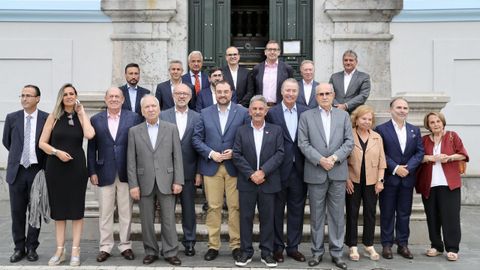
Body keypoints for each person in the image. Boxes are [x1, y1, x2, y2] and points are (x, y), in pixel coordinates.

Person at [298, 82, 354, 270]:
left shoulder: (343, 115)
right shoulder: (306, 116)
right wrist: (321, 159)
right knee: (316, 216)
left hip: (337, 172)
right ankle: (317, 252)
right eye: (320, 94)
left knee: (337, 216)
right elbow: (303, 143)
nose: (324, 96)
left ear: (333, 95)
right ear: (316, 97)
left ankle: (337, 253)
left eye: (327, 93)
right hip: (316, 172)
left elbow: (349, 142)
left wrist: (335, 158)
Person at [192, 80, 250, 261]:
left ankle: (235, 245)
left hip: (235, 167)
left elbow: (248, 135)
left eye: (226, 91)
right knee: (213, 207)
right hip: (211, 167)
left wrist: (236, 151)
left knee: (235, 207)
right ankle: (213, 245)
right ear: (215, 93)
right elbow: (196, 139)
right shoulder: (204, 113)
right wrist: (210, 154)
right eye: (219, 92)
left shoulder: (242, 112)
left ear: (231, 92)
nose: (223, 95)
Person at [39, 83, 95, 266]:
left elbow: (90, 134)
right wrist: (56, 152)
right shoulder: (53, 117)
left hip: (77, 168)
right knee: (60, 211)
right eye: (65, 94)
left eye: (72, 94)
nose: (69, 96)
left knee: (76, 210)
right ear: (61, 98)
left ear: (76, 96)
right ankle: (60, 251)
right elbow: (42, 143)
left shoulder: (80, 116)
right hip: (56, 168)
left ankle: (76, 251)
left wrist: (82, 112)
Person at [127, 95, 184, 266]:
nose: (151, 109)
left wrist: (178, 181)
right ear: (142, 111)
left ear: (159, 109)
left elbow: (177, 157)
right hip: (143, 181)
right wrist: (133, 185)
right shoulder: (134, 131)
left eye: (154, 106)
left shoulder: (171, 128)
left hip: (167, 180)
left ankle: (170, 252)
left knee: (168, 218)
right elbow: (131, 160)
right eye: (147, 107)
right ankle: (150, 251)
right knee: (146, 219)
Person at [87, 87, 142, 262]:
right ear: (105, 99)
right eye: (110, 96)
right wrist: (92, 171)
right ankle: (105, 246)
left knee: (126, 212)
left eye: (117, 96)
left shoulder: (133, 117)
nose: (114, 99)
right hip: (104, 171)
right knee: (105, 212)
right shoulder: (95, 119)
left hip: (127, 172)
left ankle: (125, 245)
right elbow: (91, 149)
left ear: (123, 99)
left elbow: (138, 147)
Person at [233, 95, 284, 268]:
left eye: (260, 109)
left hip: (268, 181)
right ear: (249, 111)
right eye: (254, 109)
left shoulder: (276, 130)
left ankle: (267, 252)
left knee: (267, 218)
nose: (257, 112)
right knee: (245, 218)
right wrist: (251, 173)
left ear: (266, 111)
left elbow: (280, 153)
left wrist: (263, 171)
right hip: (247, 182)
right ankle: (246, 252)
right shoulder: (241, 131)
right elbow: (237, 154)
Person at [2, 85, 48, 263]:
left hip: (37, 171)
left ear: (37, 98)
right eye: (22, 95)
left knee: (35, 212)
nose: (24, 98)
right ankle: (19, 248)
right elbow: (7, 141)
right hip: (17, 171)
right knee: (17, 212)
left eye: (29, 95)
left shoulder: (46, 118)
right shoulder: (12, 118)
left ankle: (32, 248)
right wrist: (18, 157)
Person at [265, 78, 309, 263]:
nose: (290, 94)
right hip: (278, 170)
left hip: (299, 170)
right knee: (276, 211)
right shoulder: (272, 113)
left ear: (298, 93)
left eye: (294, 91)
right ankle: (277, 247)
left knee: (297, 211)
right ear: (281, 92)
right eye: (287, 90)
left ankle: (293, 247)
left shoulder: (306, 112)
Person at [375, 97, 424, 260]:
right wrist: (395, 168)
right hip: (389, 178)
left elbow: (419, 152)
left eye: (405, 108)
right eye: (399, 107)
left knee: (404, 213)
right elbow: (381, 153)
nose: (402, 110)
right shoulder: (381, 129)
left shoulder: (414, 130)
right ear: (391, 109)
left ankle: (402, 244)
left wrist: (407, 168)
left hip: (407, 179)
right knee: (387, 213)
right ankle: (387, 245)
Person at [416, 112, 469, 262]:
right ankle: (436, 246)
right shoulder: (424, 140)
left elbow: (463, 155)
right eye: (432, 122)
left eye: (438, 121)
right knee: (432, 216)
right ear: (428, 125)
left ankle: (452, 248)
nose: (435, 124)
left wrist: (449, 157)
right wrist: (429, 158)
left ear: (443, 122)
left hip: (449, 184)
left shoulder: (452, 136)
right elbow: (418, 157)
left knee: (451, 217)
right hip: (429, 184)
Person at [160, 83, 202, 256]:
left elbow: (200, 146)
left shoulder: (198, 117)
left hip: (189, 171)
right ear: (173, 95)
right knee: (166, 211)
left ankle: (190, 242)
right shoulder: (163, 115)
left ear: (191, 97)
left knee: (189, 210)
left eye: (185, 94)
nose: (182, 96)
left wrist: (199, 171)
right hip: (166, 172)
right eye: (178, 93)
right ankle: (168, 244)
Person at [345, 105, 386, 261]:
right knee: (352, 213)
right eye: (363, 118)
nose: (367, 121)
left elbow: (382, 161)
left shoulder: (377, 137)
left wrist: (380, 181)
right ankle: (352, 246)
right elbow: (343, 160)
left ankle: (369, 245)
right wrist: (346, 179)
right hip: (353, 181)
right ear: (356, 119)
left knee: (370, 213)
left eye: (370, 119)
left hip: (372, 182)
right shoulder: (349, 135)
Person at [252, 40, 294, 106]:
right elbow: (253, 89)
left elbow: (291, 88)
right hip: (261, 107)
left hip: (280, 107)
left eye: (275, 50)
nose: (272, 52)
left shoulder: (287, 68)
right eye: (269, 49)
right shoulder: (257, 68)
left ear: (279, 52)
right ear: (265, 52)